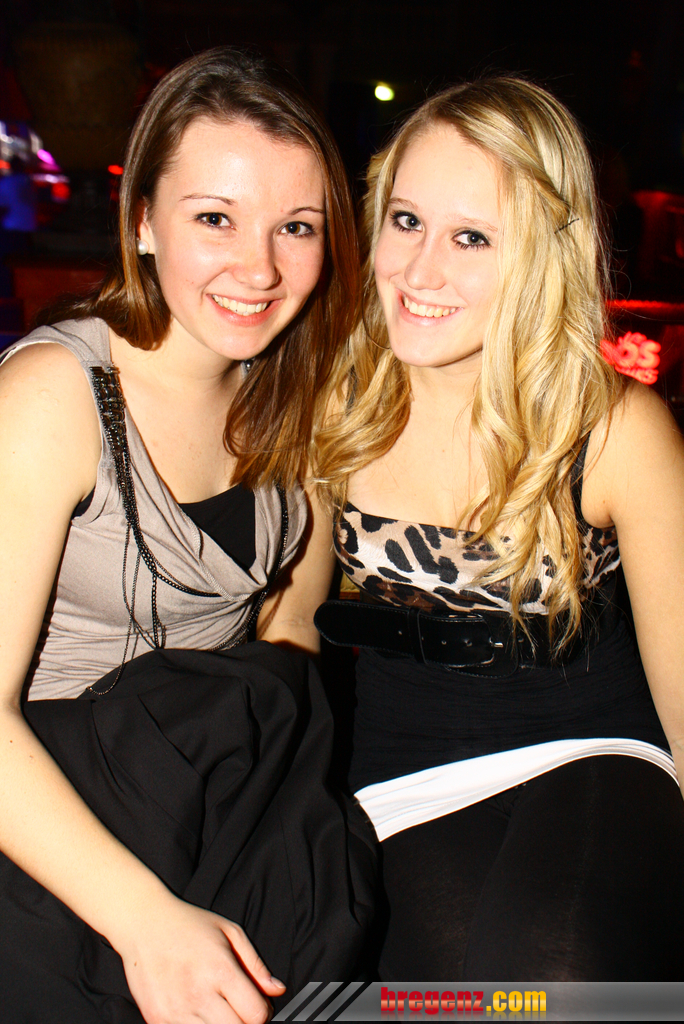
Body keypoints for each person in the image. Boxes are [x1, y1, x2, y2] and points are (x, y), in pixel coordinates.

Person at [0, 47, 373, 1023]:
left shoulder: (298, 400)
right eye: (215, 218)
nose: (260, 268)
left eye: (296, 226)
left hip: (213, 795)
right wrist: (149, 921)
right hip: (49, 818)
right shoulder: (53, 397)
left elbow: (286, 645)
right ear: (142, 223)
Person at [312, 77, 684, 981]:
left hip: (594, 750)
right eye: (406, 221)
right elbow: (284, 637)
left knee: (553, 975)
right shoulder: (330, 410)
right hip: (399, 773)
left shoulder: (615, 430)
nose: (419, 271)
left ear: (544, 255)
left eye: (472, 237)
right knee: (448, 996)